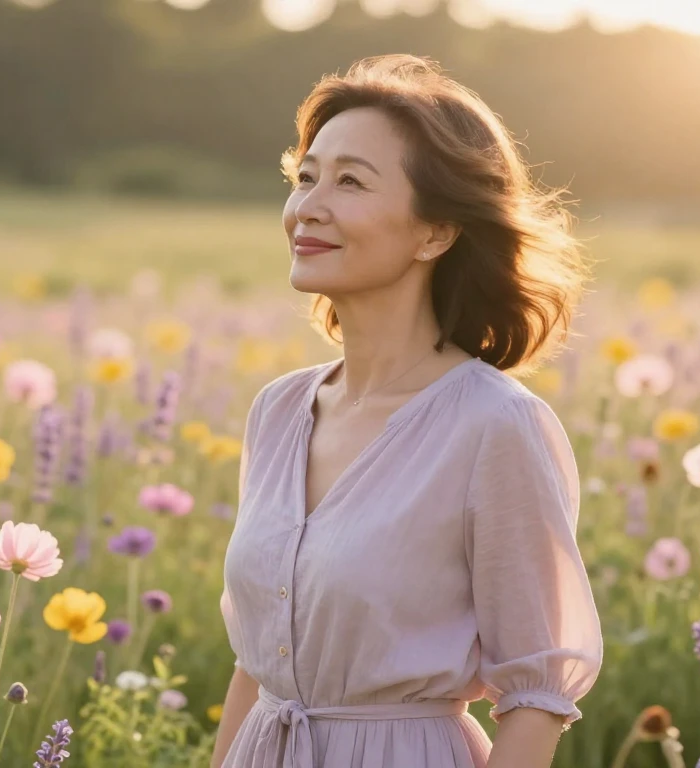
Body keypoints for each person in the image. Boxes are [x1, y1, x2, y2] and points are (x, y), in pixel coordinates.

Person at [209, 55, 603, 768]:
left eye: (350, 182)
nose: (308, 207)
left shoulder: (494, 426)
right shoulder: (279, 410)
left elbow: (536, 696)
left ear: (435, 233)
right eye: (306, 178)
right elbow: (257, 662)